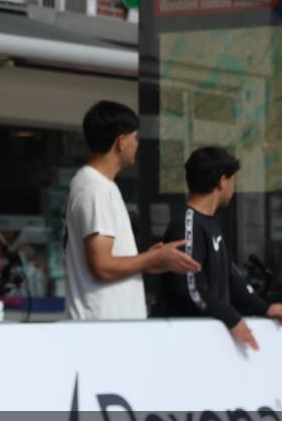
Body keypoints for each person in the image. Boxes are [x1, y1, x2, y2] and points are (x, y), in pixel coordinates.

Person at [65, 101, 200, 320]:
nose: (137, 144)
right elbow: (102, 267)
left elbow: (107, 263)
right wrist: (153, 257)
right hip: (103, 326)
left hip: (108, 325)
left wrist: (147, 259)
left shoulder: (98, 185)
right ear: (121, 142)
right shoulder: (96, 189)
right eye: (135, 138)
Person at [156, 147, 282, 351]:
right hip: (189, 343)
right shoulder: (187, 224)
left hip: (212, 341)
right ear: (222, 181)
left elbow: (230, 277)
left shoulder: (210, 222)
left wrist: (265, 308)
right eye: (233, 180)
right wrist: (232, 318)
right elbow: (190, 288)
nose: (233, 187)